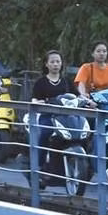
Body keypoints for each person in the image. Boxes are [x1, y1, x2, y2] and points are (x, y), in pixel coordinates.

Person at [28, 50, 74, 178]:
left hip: (66, 117)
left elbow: (77, 95)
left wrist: (88, 101)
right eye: (52, 62)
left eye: (58, 61)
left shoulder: (66, 81)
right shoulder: (41, 82)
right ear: (46, 64)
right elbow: (34, 99)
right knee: (45, 133)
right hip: (48, 116)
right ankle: (39, 166)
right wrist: (40, 102)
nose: (55, 64)